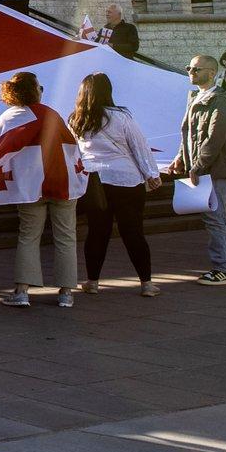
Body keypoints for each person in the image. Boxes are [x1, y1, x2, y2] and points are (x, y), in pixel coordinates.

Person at [0, 72, 87, 309]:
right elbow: (71, 146)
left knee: (28, 235)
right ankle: (66, 293)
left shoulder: (10, 117)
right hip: (62, 182)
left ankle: (22, 291)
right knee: (66, 236)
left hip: (30, 186)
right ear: (34, 90)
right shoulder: (52, 114)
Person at [70, 72, 163, 297]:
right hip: (126, 180)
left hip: (94, 181)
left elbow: (74, 153)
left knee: (97, 232)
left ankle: (92, 282)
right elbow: (139, 146)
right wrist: (151, 173)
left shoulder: (76, 119)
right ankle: (146, 284)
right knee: (133, 231)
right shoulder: (121, 117)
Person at [164, 54, 226, 285]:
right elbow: (188, 134)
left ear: (211, 73)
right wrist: (180, 158)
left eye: (196, 69)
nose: (191, 72)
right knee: (219, 217)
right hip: (206, 167)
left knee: (213, 217)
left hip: (217, 168)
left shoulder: (220, 99)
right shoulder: (195, 97)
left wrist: (198, 166)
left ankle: (224, 269)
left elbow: (215, 137)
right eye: (189, 68)